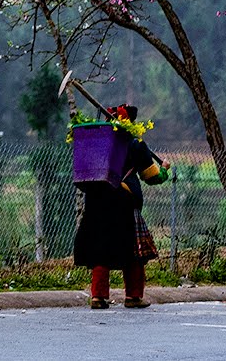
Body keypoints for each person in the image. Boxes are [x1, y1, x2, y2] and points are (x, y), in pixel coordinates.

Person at [73, 103, 164, 308]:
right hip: (124, 199)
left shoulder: (96, 141)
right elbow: (152, 176)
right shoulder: (134, 143)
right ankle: (133, 297)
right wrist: (164, 169)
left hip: (97, 200)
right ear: (130, 122)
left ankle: (98, 297)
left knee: (100, 248)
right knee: (133, 250)